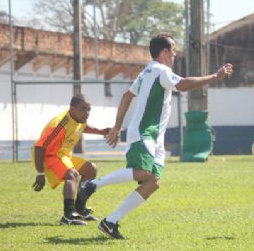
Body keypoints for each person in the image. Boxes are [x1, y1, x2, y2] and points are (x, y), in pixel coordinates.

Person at [78, 33, 233, 239]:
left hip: (155, 138)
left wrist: (116, 128)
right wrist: (215, 76)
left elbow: (126, 96)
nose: (175, 54)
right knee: (143, 172)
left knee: (153, 182)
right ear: (164, 52)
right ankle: (93, 184)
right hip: (143, 133)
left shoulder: (146, 72)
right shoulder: (160, 70)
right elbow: (183, 85)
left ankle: (110, 221)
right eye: (173, 50)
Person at [32, 94, 110, 225]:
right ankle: (68, 215)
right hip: (48, 156)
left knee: (91, 169)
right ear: (72, 109)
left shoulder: (80, 119)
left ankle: (79, 209)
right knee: (72, 175)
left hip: (62, 155)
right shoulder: (59, 124)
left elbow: (83, 127)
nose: (87, 113)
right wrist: (40, 173)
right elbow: (40, 147)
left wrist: (102, 131)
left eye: (89, 109)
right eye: (83, 109)